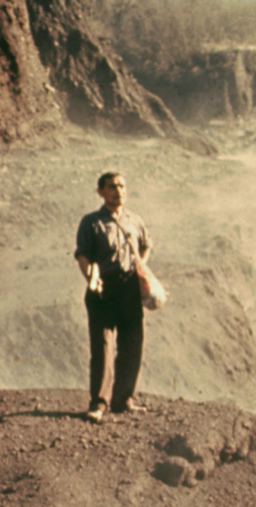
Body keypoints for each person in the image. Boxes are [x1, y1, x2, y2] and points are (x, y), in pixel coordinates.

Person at [74, 172, 152, 422]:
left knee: (132, 344)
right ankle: (99, 403)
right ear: (100, 192)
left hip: (129, 288)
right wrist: (91, 277)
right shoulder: (91, 222)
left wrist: (141, 266)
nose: (118, 191)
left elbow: (146, 244)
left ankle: (123, 399)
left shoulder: (135, 220)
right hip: (103, 289)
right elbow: (82, 254)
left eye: (121, 186)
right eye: (111, 187)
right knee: (103, 347)